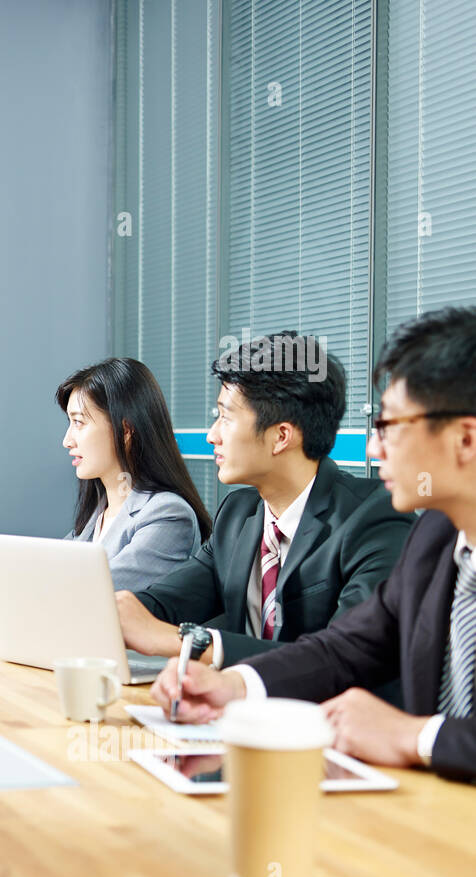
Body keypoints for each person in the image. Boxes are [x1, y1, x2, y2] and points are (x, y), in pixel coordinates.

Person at [153, 308, 476, 782]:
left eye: (389, 429)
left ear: (464, 438)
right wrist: (235, 685)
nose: (372, 449)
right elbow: (345, 648)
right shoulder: (436, 537)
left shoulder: (384, 520)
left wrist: (416, 735)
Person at [115, 333, 414, 669]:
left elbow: (346, 656)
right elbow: (164, 604)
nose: (212, 435)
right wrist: (108, 612)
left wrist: (184, 643)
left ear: (281, 436)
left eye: (226, 418)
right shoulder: (238, 514)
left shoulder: (373, 517)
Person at [0, 357, 212, 629]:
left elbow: (81, 599)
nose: (67, 440)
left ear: (126, 430)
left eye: (79, 423)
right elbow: (46, 580)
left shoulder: (168, 516)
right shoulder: (98, 515)